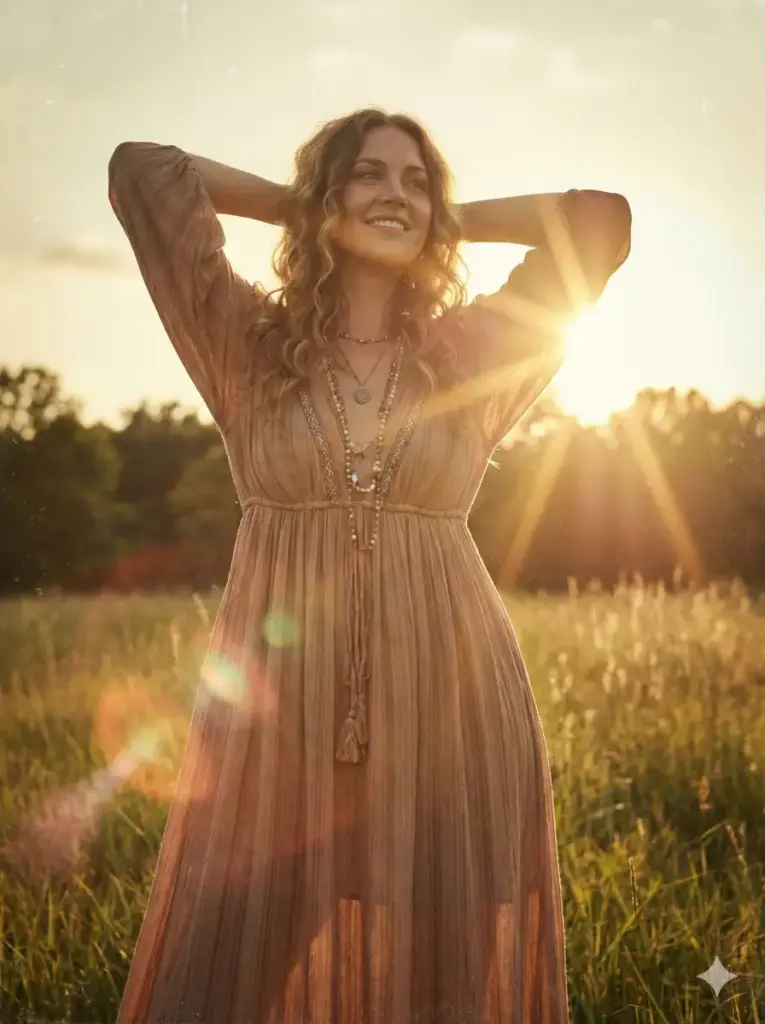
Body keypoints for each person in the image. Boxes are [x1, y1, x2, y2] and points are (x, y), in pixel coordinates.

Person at [108, 107, 631, 1024]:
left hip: (450, 703)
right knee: (233, 966)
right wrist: (299, 204)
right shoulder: (246, 345)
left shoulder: (474, 353)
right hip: (279, 715)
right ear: (325, 194)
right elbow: (144, 170)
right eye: (367, 174)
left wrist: (439, 217)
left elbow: (598, 223)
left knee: (445, 976)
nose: (394, 193)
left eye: (414, 179)